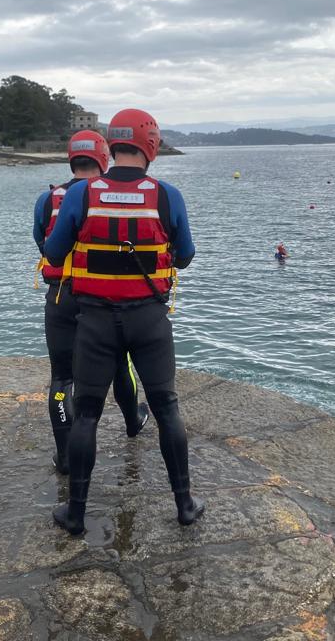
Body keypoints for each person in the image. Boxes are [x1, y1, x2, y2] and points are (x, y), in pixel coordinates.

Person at [43, 108, 203, 534]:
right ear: (151, 145)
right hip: (149, 321)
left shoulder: (82, 194)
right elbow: (184, 257)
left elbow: (55, 252)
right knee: (166, 407)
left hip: (94, 322)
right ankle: (185, 505)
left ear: (111, 145)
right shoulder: (167, 195)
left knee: (88, 414)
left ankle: (75, 513)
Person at [34, 131, 149, 474]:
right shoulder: (108, 198)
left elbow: (43, 242)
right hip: (98, 297)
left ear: (71, 158)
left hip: (59, 296)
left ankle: (66, 456)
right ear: (104, 157)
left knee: (62, 378)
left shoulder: (48, 199)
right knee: (119, 363)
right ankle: (132, 420)